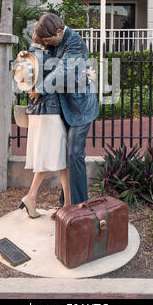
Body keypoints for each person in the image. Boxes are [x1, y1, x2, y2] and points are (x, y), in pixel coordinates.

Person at [18, 13, 99, 213]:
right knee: (64, 155)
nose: (48, 44)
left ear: (59, 31)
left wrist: (40, 89)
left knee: (74, 154)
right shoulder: (53, 40)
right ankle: (66, 203)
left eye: (49, 40)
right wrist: (26, 56)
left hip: (80, 109)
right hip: (63, 107)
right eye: (45, 41)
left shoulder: (75, 42)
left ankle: (79, 207)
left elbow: (63, 71)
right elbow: (41, 56)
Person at [15, 32, 71, 218]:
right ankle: (68, 205)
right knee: (63, 156)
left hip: (36, 114)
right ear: (46, 40)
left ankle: (31, 197)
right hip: (50, 113)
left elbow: (24, 81)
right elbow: (59, 80)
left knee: (46, 154)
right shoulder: (47, 58)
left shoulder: (26, 58)